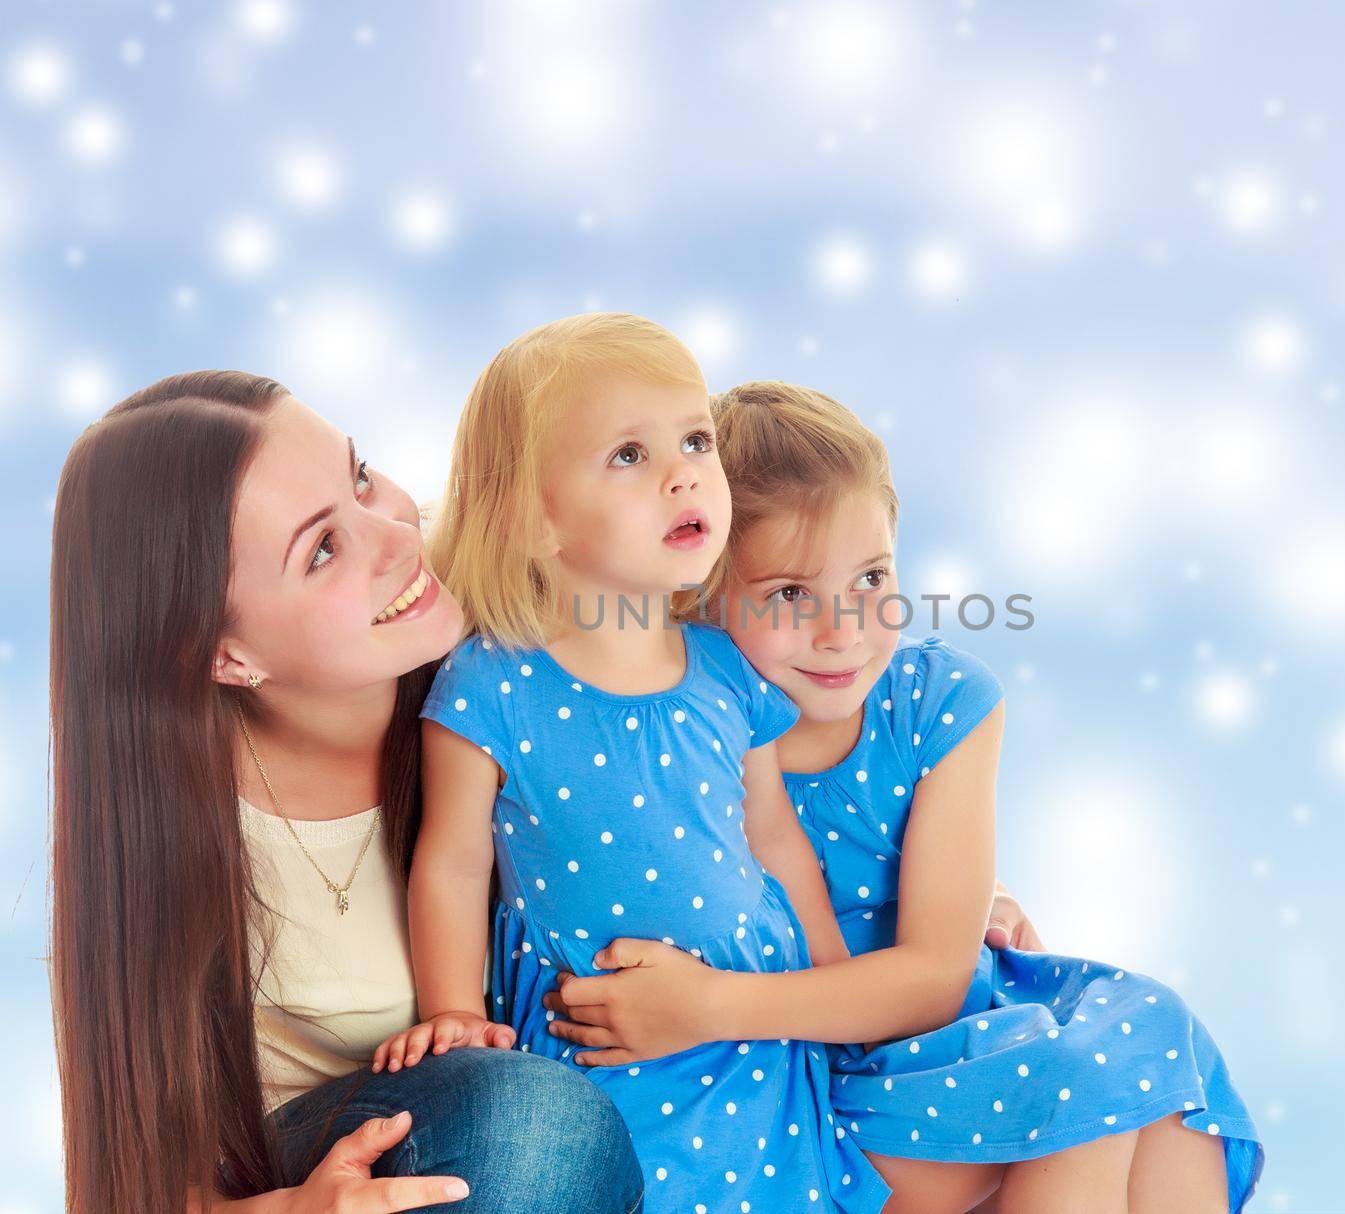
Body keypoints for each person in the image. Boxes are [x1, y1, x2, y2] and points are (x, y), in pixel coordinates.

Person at [544, 381, 1265, 1211]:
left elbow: (932, 981)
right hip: (808, 1068)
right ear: (695, 591)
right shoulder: (687, 732)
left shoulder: (939, 703)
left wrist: (710, 1005)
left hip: (943, 1033)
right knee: (1087, 1094)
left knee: (1145, 1041)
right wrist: (705, 1012)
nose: (843, 629)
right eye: (788, 594)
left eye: (872, 576)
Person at [48, 371, 643, 1212]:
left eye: (361, 476)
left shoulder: (511, 606)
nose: (398, 536)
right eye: (323, 548)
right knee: (528, 1126)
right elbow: (134, 1190)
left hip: (570, 1114)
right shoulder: (167, 831)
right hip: (323, 1163)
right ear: (226, 656)